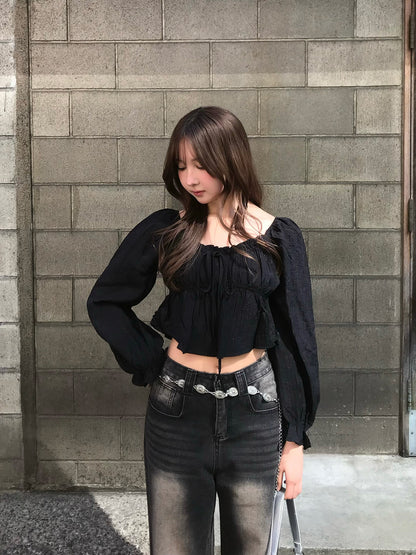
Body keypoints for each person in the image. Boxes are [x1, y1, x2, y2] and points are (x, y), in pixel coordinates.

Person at [86, 106, 320, 555]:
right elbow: (105, 301)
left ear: (231, 158)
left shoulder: (277, 238)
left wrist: (294, 442)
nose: (190, 178)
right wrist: (152, 359)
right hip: (176, 412)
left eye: (201, 164)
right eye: (181, 166)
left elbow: (296, 342)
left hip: (255, 412)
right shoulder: (168, 230)